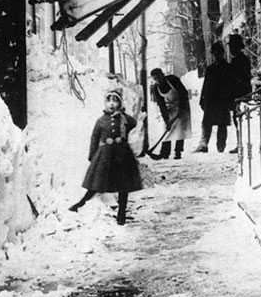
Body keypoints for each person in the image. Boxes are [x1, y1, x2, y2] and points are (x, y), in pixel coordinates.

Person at [69, 88, 142, 225]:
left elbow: (133, 123)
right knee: (97, 183)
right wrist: (92, 156)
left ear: (120, 103)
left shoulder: (124, 119)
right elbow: (94, 138)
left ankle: (122, 213)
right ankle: (81, 203)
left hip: (122, 155)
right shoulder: (101, 120)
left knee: (123, 185)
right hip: (105, 155)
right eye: (108, 100)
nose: (111, 104)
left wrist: (122, 115)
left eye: (115, 101)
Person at [194, 41, 235, 152]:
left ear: (222, 53)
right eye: (215, 53)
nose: (217, 56)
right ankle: (203, 145)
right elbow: (205, 85)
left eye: (218, 53)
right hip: (211, 101)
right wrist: (202, 99)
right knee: (206, 124)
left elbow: (231, 85)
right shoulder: (210, 68)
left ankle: (221, 147)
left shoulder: (228, 68)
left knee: (222, 125)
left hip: (222, 101)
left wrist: (230, 101)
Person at [149, 68, 192, 159]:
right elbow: (161, 105)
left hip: (182, 103)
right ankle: (164, 153)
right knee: (167, 129)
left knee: (180, 128)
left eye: (159, 77)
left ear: (162, 75)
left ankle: (178, 152)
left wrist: (182, 108)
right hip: (170, 107)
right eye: (155, 79)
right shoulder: (156, 88)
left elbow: (184, 93)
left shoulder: (172, 80)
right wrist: (166, 120)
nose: (158, 80)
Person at [227, 34, 252, 154]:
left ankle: (242, 144)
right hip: (239, 93)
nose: (230, 49)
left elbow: (240, 78)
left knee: (240, 120)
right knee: (238, 120)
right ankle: (240, 143)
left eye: (232, 46)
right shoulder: (239, 59)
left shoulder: (240, 60)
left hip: (241, 94)